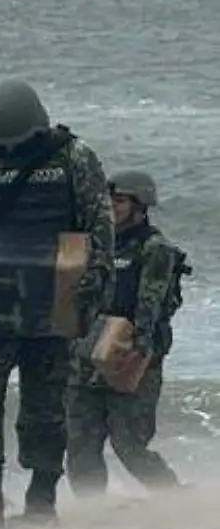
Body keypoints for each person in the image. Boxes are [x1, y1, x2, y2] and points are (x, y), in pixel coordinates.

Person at [0, 79, 114, 529]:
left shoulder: (74, 157)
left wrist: (95, 284)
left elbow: (99, 224)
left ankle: (42, 497)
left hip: (55, 298)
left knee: (46, 401)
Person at [65, 169, 187, 495]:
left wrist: (140, 347)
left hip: (130, 354)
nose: (111, 206)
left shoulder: (154, 248)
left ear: (140, 205)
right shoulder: (97, 245)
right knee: (80, 443)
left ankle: (174, 499)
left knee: (129, 444)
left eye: (119, 201)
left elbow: (152, 303)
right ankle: (92, 509)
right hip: (87, 353)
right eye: (108, 200)